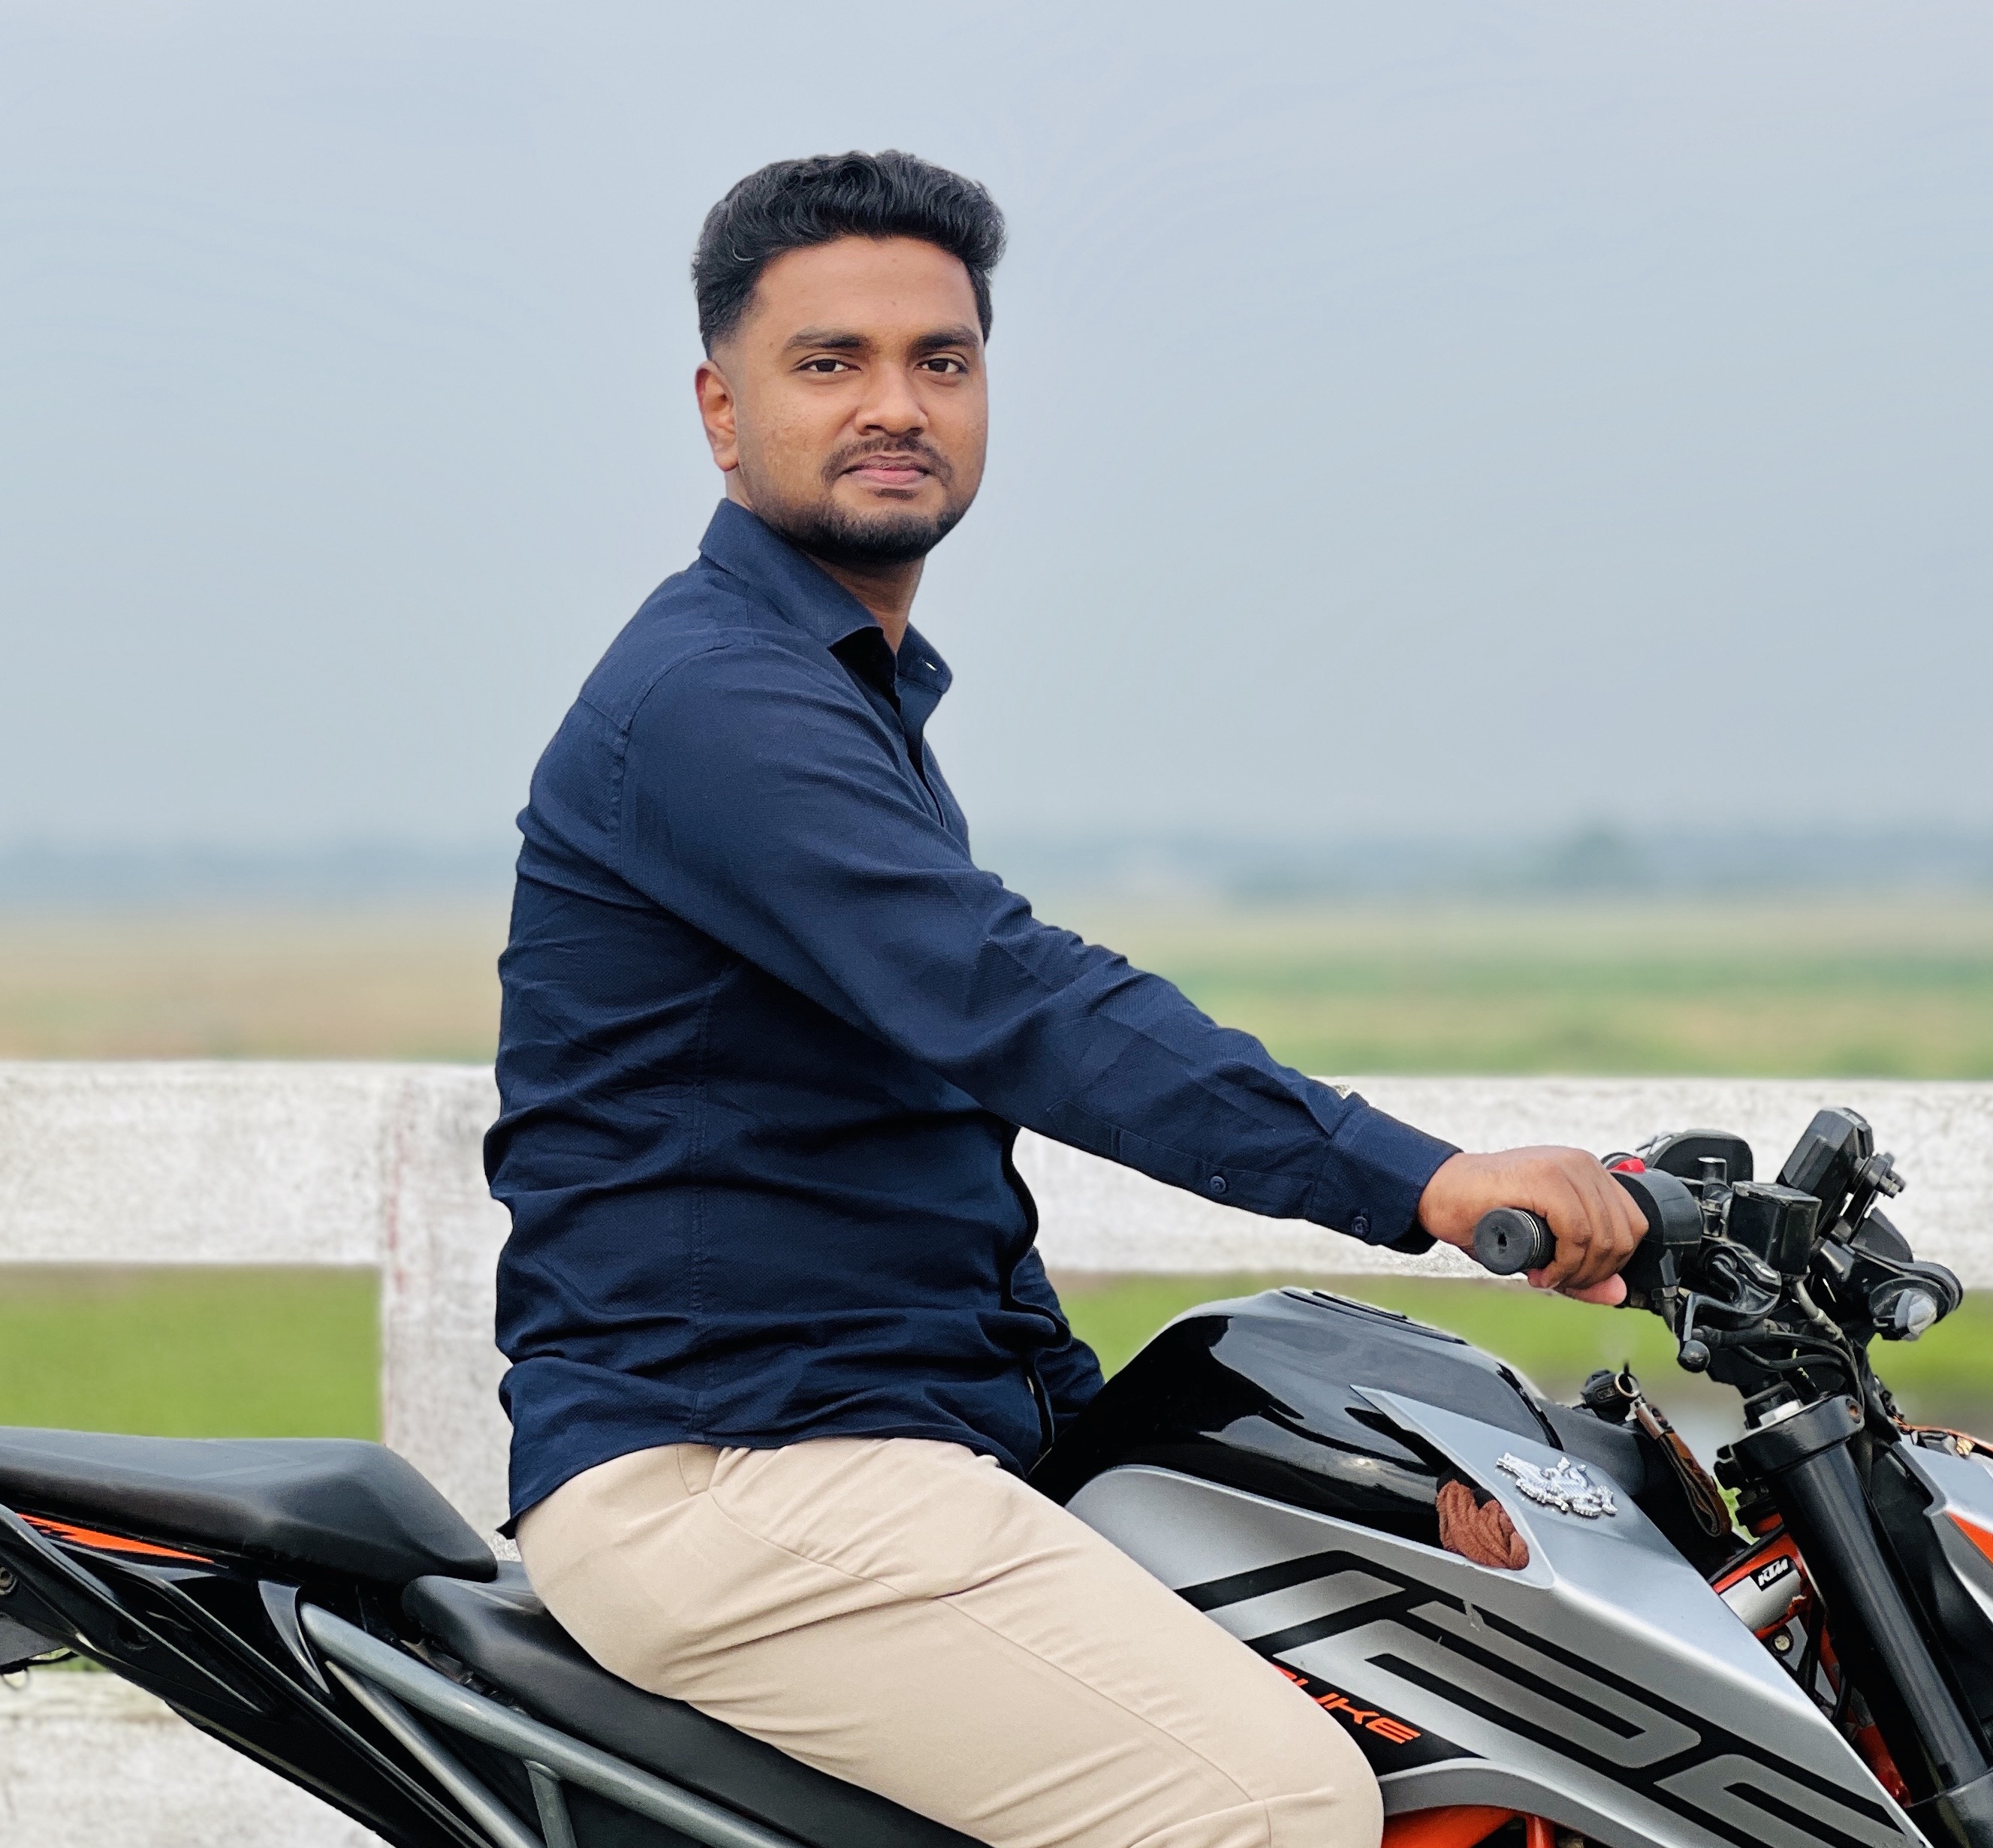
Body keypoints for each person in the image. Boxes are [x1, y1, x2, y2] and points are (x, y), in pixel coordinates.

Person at [486, 150, 1644, 1848]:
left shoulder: (829, 690)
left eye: (940, 361)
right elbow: (1013, 998)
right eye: (830, 362)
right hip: (744, 1474)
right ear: (722, 411)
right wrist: (1427, 1180)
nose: (897, 404)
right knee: (1269, 1804)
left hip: (878, 1446)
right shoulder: (715, 702)